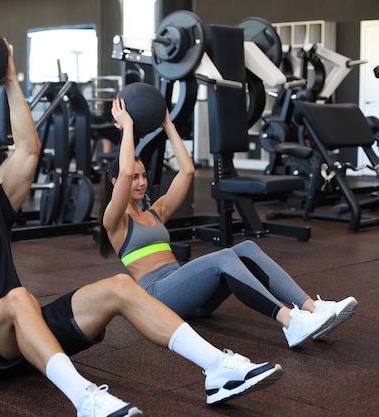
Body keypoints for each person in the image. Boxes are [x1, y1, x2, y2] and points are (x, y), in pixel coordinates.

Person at [0, 34, 283, 417]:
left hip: (29, 335)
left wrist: (11, 80)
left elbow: (28, 149)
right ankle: (86, 399)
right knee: (21, 298)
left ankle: (217, 367)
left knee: (120, 286)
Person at [98, 96, 358, 349]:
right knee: (222, 256)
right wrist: (129, 126)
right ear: (117, 184)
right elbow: (124, 171)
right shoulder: (115, 221)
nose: (141, 182)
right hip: (160, 297)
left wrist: (168, 125)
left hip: (188, 292)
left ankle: (312, 308)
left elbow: (187, 170)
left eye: (144, 176)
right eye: (135, 178)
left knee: (245, 248)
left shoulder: (156, 212)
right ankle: (289, 322)